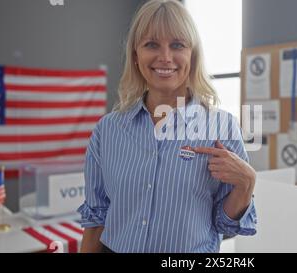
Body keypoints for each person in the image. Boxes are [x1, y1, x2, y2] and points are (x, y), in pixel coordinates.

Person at [77, 0, 257, 253]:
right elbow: (96, 218)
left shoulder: (221, 127)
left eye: (177, 45)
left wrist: (246, 183)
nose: (165, 57)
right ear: (136, 56)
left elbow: (225, 225)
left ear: (192, 56)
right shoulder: (107, 130)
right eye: (151, 44)